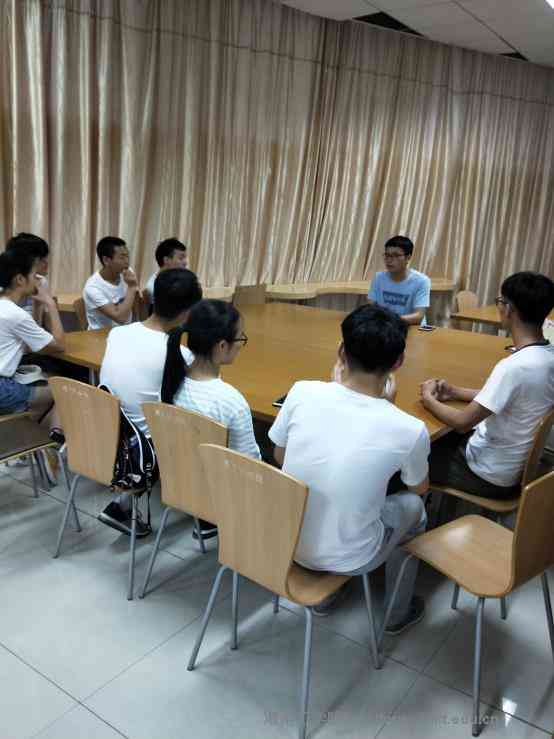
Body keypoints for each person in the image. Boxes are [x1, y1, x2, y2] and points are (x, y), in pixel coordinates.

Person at [268, 304, 429, 630]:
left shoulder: (301, 391)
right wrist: (385, 407)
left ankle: (325, 597)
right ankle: (397, 613)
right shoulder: (410, 429)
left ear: (341, 351)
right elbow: (418, 487)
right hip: (353, 558)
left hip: (285, 540)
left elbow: (279, 456)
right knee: (416, 508)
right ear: (398, 363)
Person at [421, 271, 554, 499]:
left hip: (487, 474)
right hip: (512, 466)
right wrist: (454, 391)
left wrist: (428, 398)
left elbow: (462, 423)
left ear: (508, 309)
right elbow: (504, 396)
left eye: (500, 301)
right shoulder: (547, 354)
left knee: (406, 457)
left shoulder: (514, 366)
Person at [98, 268, 203, 537]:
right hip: (142, 452)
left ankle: (123, 504)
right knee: (204, 421)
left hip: (105, 434)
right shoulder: (180, 354)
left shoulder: (118, 333)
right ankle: (208, 511)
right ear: (188, 313)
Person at [161, 299, 261, 540]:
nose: (241, 344)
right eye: (240, 339)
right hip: (220, 493)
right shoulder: (231, 401)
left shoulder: (172, 380)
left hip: (180, 483)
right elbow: (251, 464)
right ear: (222, 346)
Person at [0, 246, 65, 425]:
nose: (38, 281)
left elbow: (31, 343)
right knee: (65, 391)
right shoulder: (15, 314)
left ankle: (35, 426)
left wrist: (37, 306)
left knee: (46, 384)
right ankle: (34, 429)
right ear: (20, 279)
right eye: (35, 275)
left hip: (6, 381)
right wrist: (50, 304)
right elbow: (59, 345)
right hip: (2, 388)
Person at [368, 236, 431, 326]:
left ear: (408, 258)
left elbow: (418, 316)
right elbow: (370, 308)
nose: (389, 260)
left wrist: (388, 320)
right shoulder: (378, 278)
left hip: (411, 327)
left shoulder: (422, 281)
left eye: (396, 256)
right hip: (385, 327)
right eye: (387, 255)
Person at [82, 236, 138, 330]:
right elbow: (120, 318)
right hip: (102, 334)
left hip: (126, 330)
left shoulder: (127, 273)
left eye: (127, 256)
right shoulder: (93, 287)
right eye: (122, 257)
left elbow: (134, 304)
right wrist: (132, 287)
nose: (127, 262)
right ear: (106, 260)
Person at [5, 233, 50, 326]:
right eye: (42, 258)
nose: (46, 262)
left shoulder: (41, 282)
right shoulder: (5, 286)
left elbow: (36, 327)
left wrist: (38, 306)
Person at [143, 238, 188, 305]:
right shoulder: (153, 288)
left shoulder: (180, 279)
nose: (185, 262)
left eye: (185, 258)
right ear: (166, 260)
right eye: (181, 258)